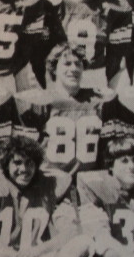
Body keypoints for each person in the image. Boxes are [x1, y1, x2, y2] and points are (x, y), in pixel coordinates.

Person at [15, 43, 113, 174]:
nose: (74, 69)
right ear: (54, 69)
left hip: (85, 179)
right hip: (51, 180)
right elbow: (25, 150)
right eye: (67, 64)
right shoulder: (42, 99)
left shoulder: (97, 99)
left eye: (78, 64)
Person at [45, 0, 134, 89]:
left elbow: (117, 56)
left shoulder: (111, 8)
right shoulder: (57, 4)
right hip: (62, 76)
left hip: (94, 77)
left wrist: (109, 84)